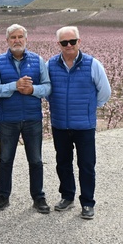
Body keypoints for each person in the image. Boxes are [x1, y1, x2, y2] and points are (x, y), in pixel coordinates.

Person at [0, 24, 52, 213]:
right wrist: (14, 85)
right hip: (8, 119)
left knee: (36, 160)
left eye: (20, 36)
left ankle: (38, 197)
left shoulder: (38, 61)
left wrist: (33, 90)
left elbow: (47, 87)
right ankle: (3, 195)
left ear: (26, 39)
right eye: (13, 37)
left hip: (32, 118)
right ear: (7, 41)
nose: (17, 40)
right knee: (5, 159)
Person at [47, 26, 111, 219]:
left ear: (79, 42)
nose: (69, 45)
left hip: (84, 126)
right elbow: (47, 91)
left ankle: (88, 202)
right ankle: (67, 196)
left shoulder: (93, 64)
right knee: (63, 163)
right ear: (58, 44)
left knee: (86, 165)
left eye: (72, 41)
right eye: (64, 42)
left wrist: (89, 108)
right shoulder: (50, 64)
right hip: (60, 124)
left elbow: (104, 92)